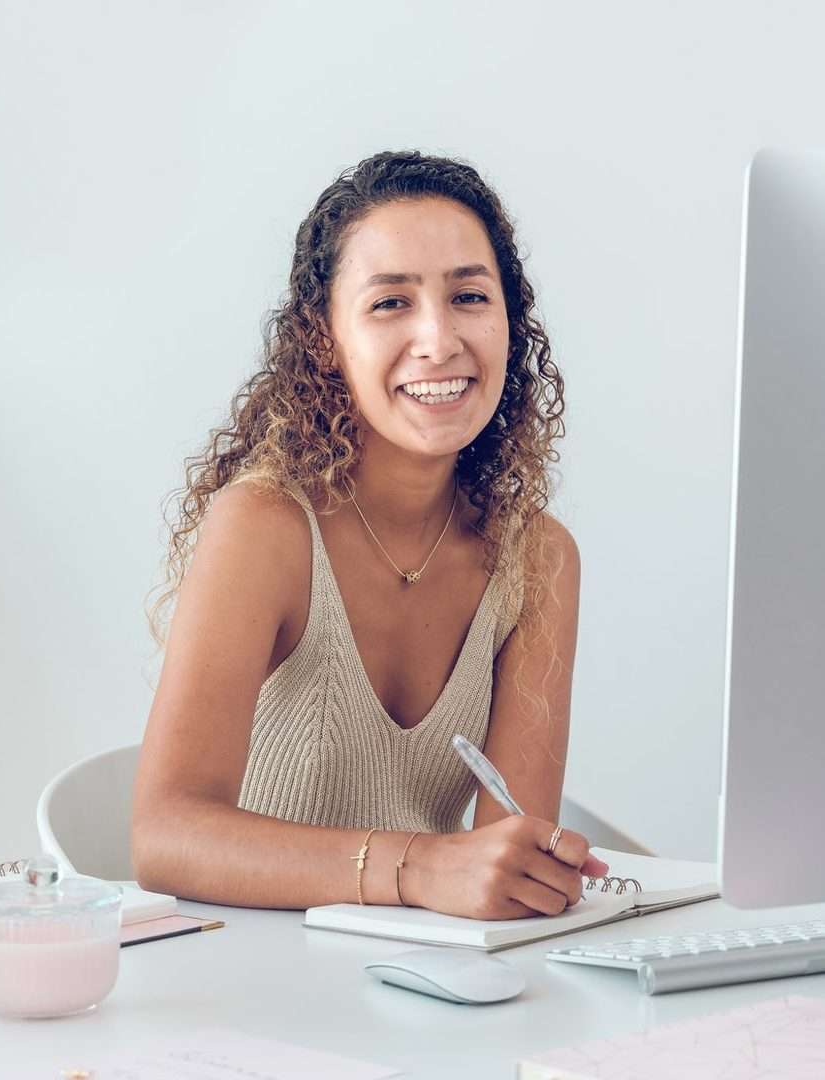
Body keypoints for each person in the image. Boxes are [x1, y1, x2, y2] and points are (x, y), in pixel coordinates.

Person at [132, 149, 609, 920]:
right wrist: (420, 867)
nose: (439, 339)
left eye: (469, 296)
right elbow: (166, 836)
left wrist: (535, 875)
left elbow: (511, 847)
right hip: (247, 979)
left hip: (425, 980)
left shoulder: (539, 556)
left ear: (509, 325)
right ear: (324, 337)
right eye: (391, 303)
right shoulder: (266, 526)